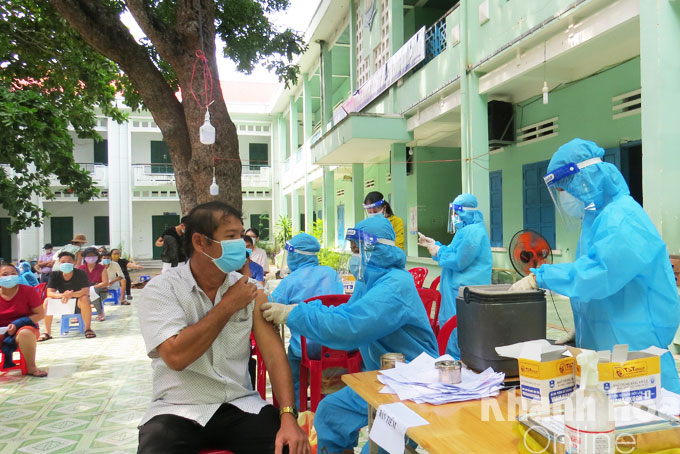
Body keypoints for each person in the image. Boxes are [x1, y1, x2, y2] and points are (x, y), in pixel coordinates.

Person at [136, 201, 309, 454]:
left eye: (241, 235)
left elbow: (273, 355)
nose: (240, 244)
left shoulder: (251, 291)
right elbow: (176, 356)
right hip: (176, 407)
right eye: (230, 237)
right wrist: (227, 306)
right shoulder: (162, 290)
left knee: (288, 447)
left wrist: (288, 416)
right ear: (199, 242)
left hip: (239, 405)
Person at [510, 138, 680, 393]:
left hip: (636, 358)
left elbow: (598, 274)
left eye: (563, 189)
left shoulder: (623, 217)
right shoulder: (595, 220)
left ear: (584, 181)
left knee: (648, 429)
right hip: (609, 356)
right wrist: (581, 329)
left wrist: (540, 277)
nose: (563, 197)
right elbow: (602, 292)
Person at [262, 216, 438, 454]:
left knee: (378, 448)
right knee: (330, 413)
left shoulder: (396, 285)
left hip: (413, 386)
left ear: (378, 250)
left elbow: (351, 326)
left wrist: (295, 314)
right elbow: (346, 311)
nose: (354, 257)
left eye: (358, 250)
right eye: (352, 250)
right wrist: (300, 311)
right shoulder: (369, 282)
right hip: (381, 380)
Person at [269, 232, 344, 406]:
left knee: (289, 370)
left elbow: (272, 306)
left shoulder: (290, 281)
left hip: (305, 349)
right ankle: (327, 403)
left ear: (295, 255)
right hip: (334, 344)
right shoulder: (330, 273)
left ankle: (292, 408)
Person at [417, 193, 492, 358]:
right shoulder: (466, 231)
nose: (455, 217)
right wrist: (435, 245)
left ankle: (460, 362)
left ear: (465, 212)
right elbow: (453, 251)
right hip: (455, 290)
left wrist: (439, 251)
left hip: (464, 292)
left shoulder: (473, 232)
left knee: (459, 330)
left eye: (457, 213)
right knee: (453, 327)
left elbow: (459, 260)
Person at [0, 262, 47, 376]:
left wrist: (17, 324)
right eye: (5, 274)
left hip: (24, 328)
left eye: (13, 273)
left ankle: (31, 368)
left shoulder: (28, 291)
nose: (9, 277)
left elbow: (40, 314)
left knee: (25, 333)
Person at [41, 251, 97, 340]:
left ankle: (88, 329)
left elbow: (86, 291)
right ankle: (47, 332)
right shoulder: (55, 275)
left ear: (74, 263)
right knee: (47, 301)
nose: (66, 264)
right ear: (59, 263)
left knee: (85, 298)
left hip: (78, 303)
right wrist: (63, 295)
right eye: (63, 262)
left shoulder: (81, 273)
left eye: (69, 261)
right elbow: (50, 292)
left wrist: (71, 294)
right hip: (63, 302)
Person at [78, 247, 109, 321]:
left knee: (93, 290)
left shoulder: (101, 268)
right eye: (88, 256)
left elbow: (105, 283)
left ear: (97, 257)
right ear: (84, 258)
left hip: (100, 292)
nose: (90, 258)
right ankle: (78, 314)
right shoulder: (80, 268)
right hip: (85, 292)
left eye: (93, 255)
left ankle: (100, 313)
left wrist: (93, 287)